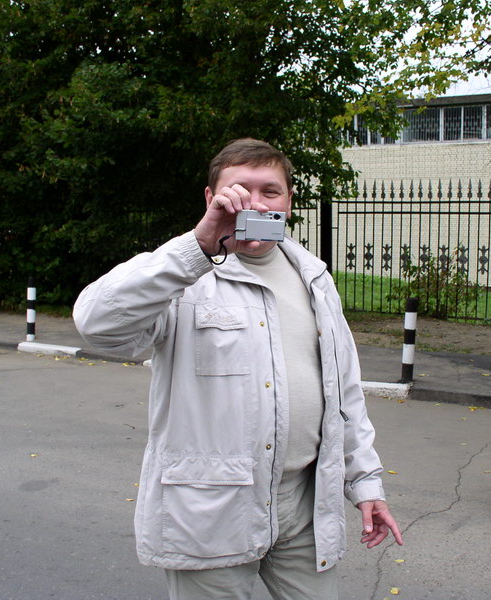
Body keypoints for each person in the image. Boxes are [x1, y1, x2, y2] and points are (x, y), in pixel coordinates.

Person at [73, 138, 403, 600]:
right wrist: (198, 245)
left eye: (271, 190)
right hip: (210, 511)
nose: (256, 202)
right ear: (212, 198)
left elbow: (344, 394)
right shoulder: (183, 278)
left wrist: (365, 483)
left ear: (289, 201)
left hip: (303, 504)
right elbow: (97, 323)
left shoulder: (315, 278)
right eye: (240, 190)